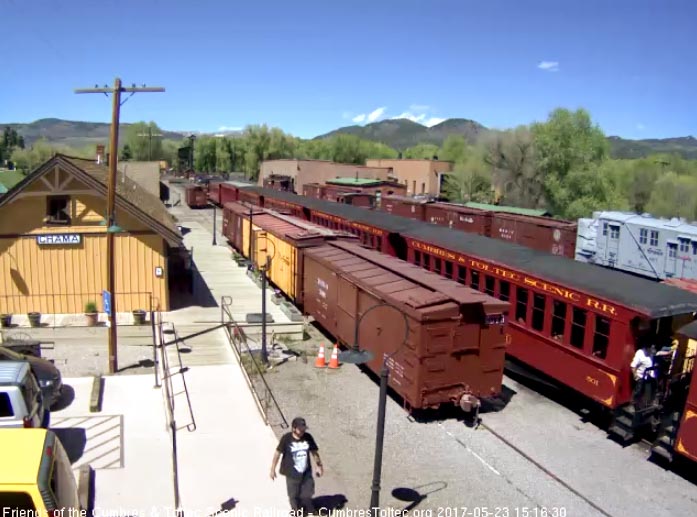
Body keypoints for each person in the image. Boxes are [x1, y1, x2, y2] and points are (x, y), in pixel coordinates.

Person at [270, 417, 323, 514]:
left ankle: (309, 508)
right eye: (300, 429)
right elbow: (277, 453)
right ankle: (296, 511)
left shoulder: (308, 437)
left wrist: (319, 466)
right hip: (291, 474)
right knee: (293, 495)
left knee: (308, 492)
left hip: (306, 472)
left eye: (304, 429)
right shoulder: (286, 439)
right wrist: (272, 469)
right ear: (294, 428)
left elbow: (314, 452)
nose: (303, 431)